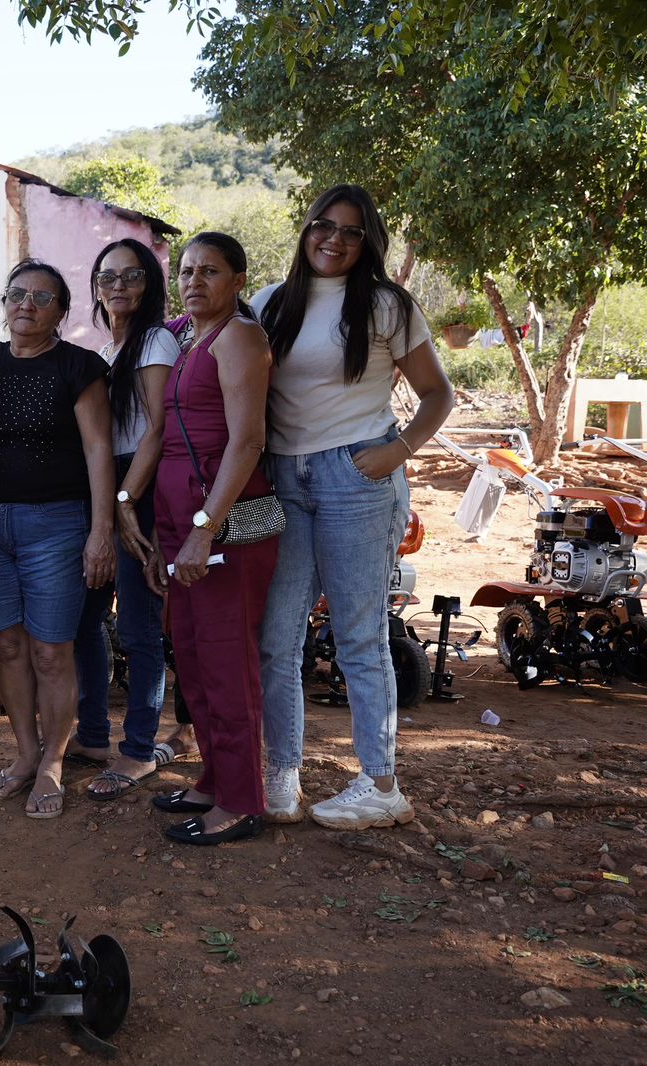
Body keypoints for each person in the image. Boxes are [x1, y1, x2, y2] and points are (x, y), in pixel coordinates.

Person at [252, 185, 453, 829]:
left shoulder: (387, 306)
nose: (333, 239)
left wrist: (395, 453)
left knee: (359, 637)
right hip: (286, 476)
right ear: (305, 230)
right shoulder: (271, 303)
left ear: (369, 243)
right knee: (277, 636)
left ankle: (381, 781)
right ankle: (282, 773)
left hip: (356, 476)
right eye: (323, 226)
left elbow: (436, 395)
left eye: (351, 231)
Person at [0, 259, 115, 820]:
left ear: (62, 311)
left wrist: (100, 531)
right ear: (3, 302)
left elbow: (100, 450)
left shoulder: (80, 367)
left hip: (57, 525)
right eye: (17, 294)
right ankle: (26, 753)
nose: (27, 304)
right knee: (7, 646)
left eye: (43, 297)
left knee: (53, 650)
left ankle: (54, 760)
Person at [146, 232, 278, 846]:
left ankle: (243, 800)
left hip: (219, 520)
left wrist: (204, 530)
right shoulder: (187, 337)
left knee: (227, 661)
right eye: (187, 271)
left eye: (211, 271)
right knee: (193, 655)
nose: (195, 281)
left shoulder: (241, 338)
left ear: (237, 281)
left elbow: (246, 441)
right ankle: (213, 778)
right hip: (179, 519)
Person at [72, 240, 182, 801]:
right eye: (107, 276)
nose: (118, 286)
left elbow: (158, 430)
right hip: (106, 485)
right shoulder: (107, 348)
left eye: (131, 276)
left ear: (151, 285)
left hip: (140, 483)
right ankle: (92, 734)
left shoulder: (155, 340)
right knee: (86, 615)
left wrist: (124, 502)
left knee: (139, 626)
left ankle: (138, 749)